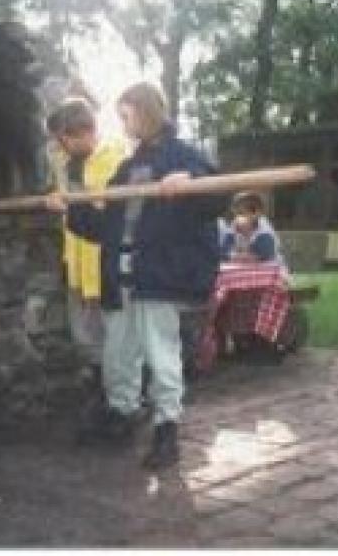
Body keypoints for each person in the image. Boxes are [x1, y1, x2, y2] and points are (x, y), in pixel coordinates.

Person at [46, 82, 224, 470]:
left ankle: (166, 429)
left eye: (126, 115)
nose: (123, 125)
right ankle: (121, 414)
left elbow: (216, 202)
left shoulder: (187, 157)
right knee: (118, 352)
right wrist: (68, 209)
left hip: (157, 273)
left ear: (145, 111)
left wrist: (191, 186)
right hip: (121, 272)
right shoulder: (127, 169)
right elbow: (103, 227)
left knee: (161, 354)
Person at [45, 97, 126, 393]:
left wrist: (73, 202)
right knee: (83, 327)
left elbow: (108, 206)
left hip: (103, 256)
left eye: (63, 138)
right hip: (77, 256)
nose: (60, 145)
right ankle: (97, 379)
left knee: (112, 326)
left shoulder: (115, 155)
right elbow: (63, 194)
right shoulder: (64, 162)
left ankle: (122, 389)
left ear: (80, 131)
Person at [220, 191, 286, 268]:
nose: (237, 218)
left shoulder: (264, 233)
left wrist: (247, 234)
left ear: (256, 214)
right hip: (241, 268)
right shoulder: (233, 230)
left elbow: (264, 256)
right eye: (236, 214)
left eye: (242, 213)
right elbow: (224, 253)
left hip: (267, 269)